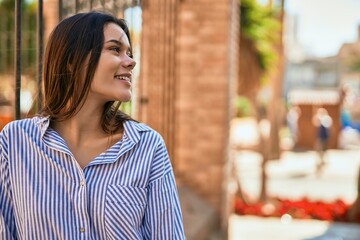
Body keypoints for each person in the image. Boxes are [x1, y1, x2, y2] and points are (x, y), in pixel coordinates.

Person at [0, 11, 185, 239]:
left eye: (129, 52)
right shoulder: (16, 141)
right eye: (115, 49)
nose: (131, 61)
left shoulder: (147, 146)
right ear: (72, 60)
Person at [312, 108, 332, 174]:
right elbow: (315, 123)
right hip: (320, 137)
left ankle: (324, 160)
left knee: (324, 149)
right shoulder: (319, 118)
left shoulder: (326, 118)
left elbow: (327, 125)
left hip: (325, 137)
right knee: (319, 149)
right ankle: (320, 159)